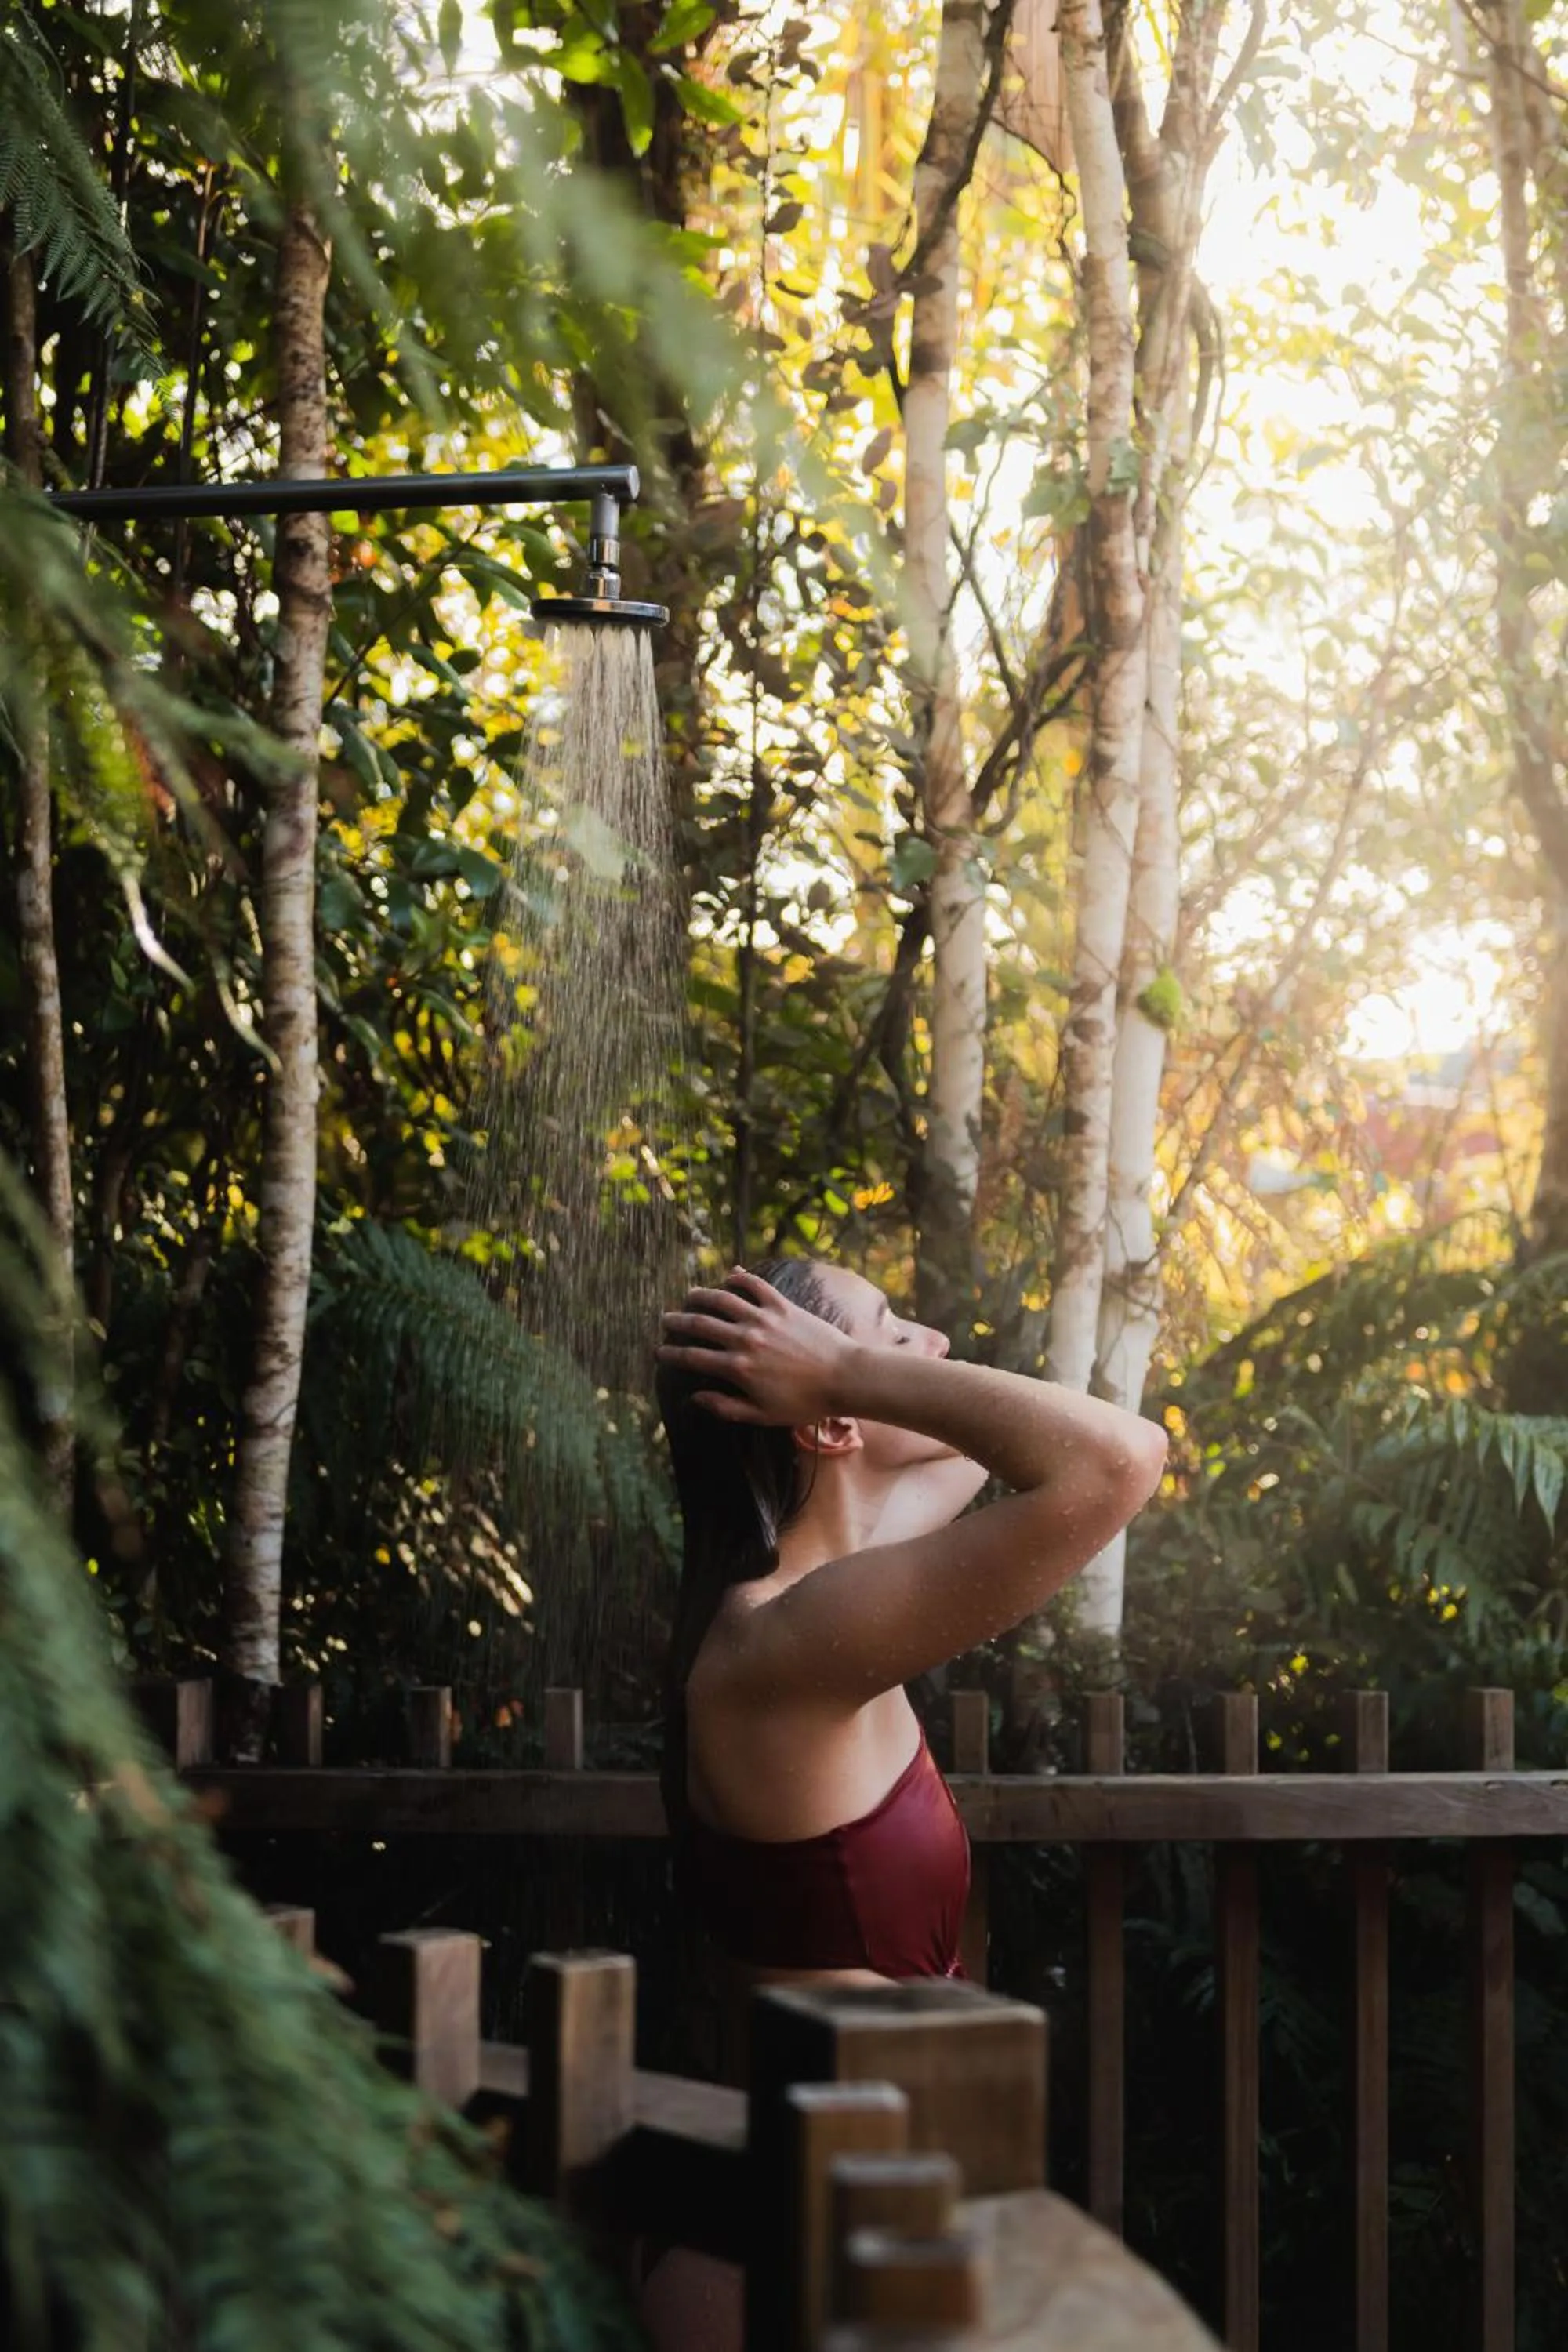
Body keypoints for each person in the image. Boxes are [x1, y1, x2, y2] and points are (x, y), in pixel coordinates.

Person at [639, 1255, 1167, 2348]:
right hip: (802, 2261)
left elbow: (1022, 1449)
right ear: (829, 1423)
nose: (931, 1340)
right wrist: (839, 1370)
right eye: (892, 1329)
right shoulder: (782, 1641)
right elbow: (1121, 1462)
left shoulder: (840, 1582)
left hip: (876, 2222)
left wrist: (849, 1375)